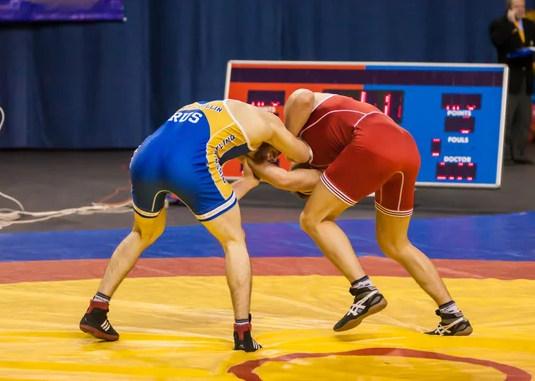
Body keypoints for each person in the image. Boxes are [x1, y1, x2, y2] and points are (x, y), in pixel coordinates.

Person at [79, 99, 312, 352]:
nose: (271, 159)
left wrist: (247, 182)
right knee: (234, 240)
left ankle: (97, 309)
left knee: (142, 233)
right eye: (273, 155)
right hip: (189, 163)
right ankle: (243, 332)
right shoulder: (270, 123)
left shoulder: (208, 106)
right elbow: (303, 154)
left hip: (145, 156)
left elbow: (216, 200)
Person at [247, 89, 473, 336]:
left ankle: (364, 290)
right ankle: (452, 315)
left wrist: (282, 144)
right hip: (406, 149)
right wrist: (258, 159)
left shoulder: (297, 128)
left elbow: (302, 96)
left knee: (313, 218)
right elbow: (286, 180)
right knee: (395, 244)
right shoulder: (329, 165)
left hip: (372, 141)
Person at [489, 0, 535, 165]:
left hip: (526, 78)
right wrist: (510, 25)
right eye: (518, 6)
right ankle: (503, 155)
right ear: (509, 8)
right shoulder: (499, 24)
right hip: (510, 77)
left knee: (523, 118)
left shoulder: (529, 25)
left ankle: (518, 153)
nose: (522, 9)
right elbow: (497, 41)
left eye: (523, 6)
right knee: (507, 118)